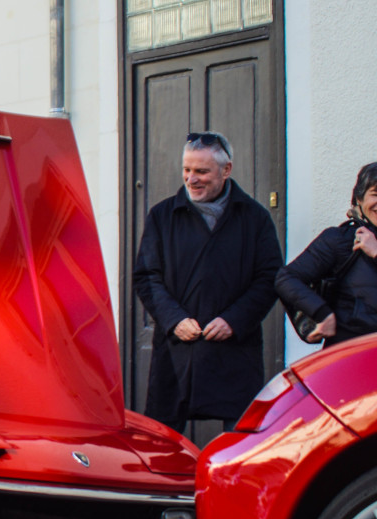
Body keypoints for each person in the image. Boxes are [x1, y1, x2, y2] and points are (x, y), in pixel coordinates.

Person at [133, 131, 283, 433]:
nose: (191, 179)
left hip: (234, 351)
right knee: (163, 444)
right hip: (177, 351)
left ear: (226, 170)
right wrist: (174, 319)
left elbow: (269, 278)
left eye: (201, 171)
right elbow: (147, 277)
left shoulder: (255, 218)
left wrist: (234, 320)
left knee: (240, 446)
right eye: (187, 170)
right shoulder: (162, 216)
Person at [276, 162, 377, 346]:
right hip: (348, 356)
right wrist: (321, 313)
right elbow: (286, 278)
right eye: (375, 194)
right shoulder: (340, 240)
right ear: (359, 199)